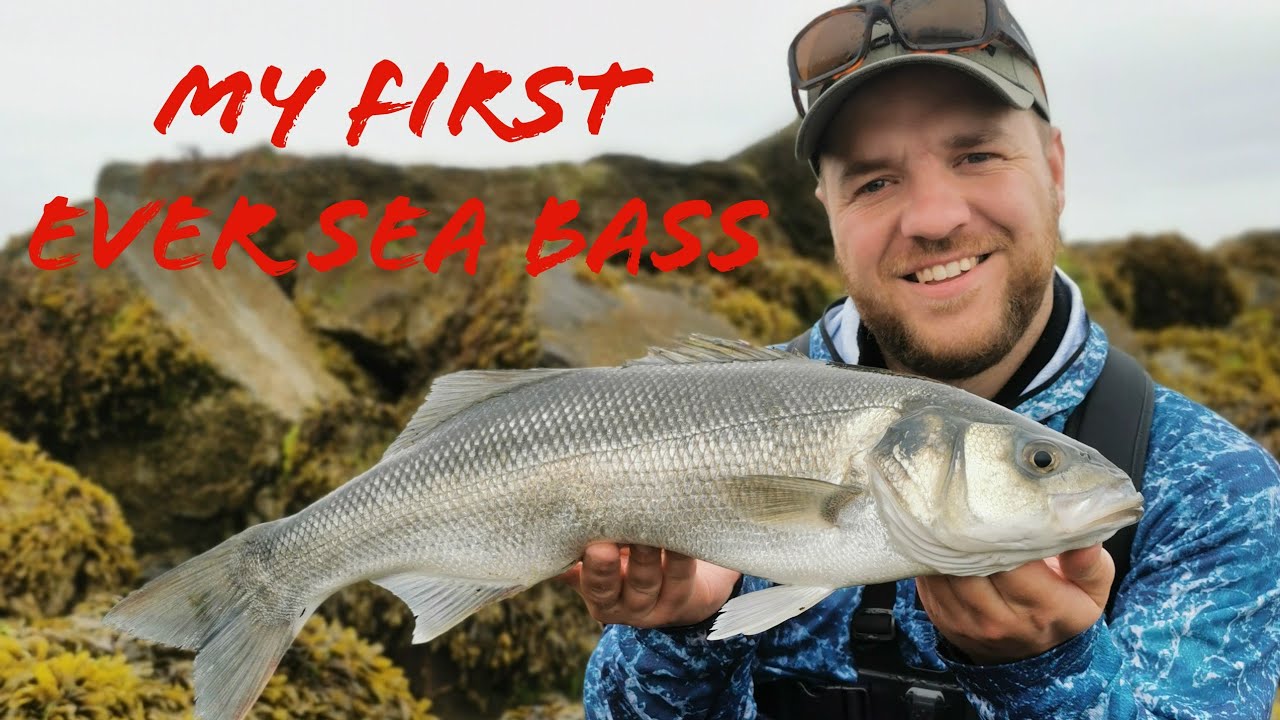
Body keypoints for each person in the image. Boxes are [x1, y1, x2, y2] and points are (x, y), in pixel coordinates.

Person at [562, 1, 1280, 718]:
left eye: (976, 155)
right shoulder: (703, 414)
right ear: (829, 213)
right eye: (874, 182)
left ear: (1055, 168)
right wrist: (682, 637)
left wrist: (1046, 674)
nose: (934, 218)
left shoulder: (1219, 491)